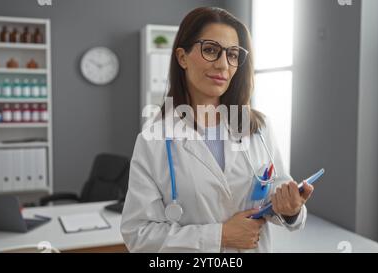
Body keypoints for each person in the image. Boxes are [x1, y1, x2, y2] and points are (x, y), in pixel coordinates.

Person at [120, 7, 314, 252]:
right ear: (182, 57)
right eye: (210, 50)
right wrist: (219, 236)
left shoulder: (258, 128)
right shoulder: (154, 139)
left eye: (233, 54)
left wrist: (290, 209)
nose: (223, 65)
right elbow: (138, 233)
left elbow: (276, 193)